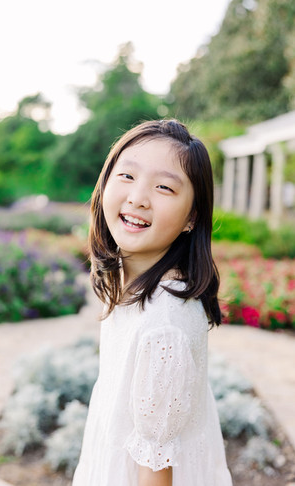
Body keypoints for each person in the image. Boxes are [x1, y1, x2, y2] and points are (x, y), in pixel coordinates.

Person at [72, 119, 233, 486]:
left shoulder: (164, 324)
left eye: (163, 187)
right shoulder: (132, 284)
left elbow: (155, 471)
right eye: (127, 176)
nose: (138, 197)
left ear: (192, 216)